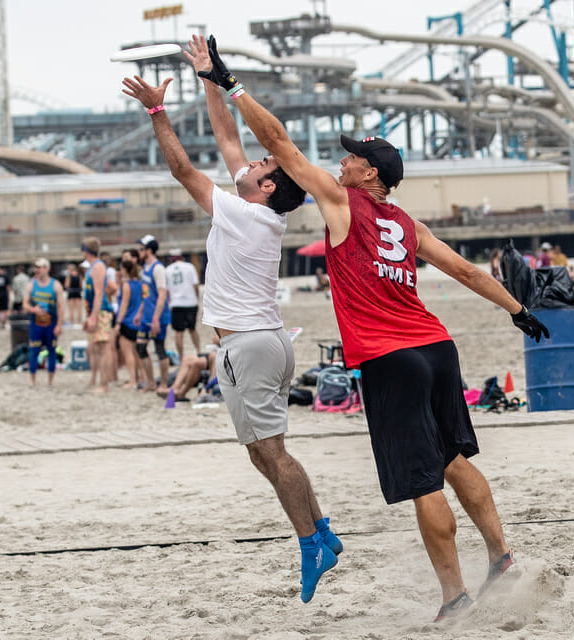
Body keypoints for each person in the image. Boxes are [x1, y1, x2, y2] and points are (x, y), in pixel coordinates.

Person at [202, 38, 549, 619]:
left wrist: (230, 82)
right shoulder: (406, 223)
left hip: (392, 358)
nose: (341, 160)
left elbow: (277, 143)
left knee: (422, 481)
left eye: (351, 157)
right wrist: (516, 309)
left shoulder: (343, 203)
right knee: (455, 460)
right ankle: (502, 556)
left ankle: (454, 597)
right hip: (437, 347)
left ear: (371, 173)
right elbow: (462, 268)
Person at [122, 35, 342, 605]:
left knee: (272, 452)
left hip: (249, 346)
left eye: (262, 163)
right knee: (262, 450)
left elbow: (182, 169)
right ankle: (321, 530)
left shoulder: (246, 214)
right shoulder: (258, 208)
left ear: (266, 186)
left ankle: (310, 541)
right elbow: (225, 135)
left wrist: (156, 111)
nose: (252, 160)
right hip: (256, 342)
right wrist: (208, 75)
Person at [133, 235, 172, 394]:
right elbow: (146, 294)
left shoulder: (158, 268)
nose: (139, 252)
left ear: (149, 250)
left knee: (160, 349)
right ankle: (150, 383)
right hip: (146, 316)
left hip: (158, 317)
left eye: (141, 249)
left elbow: (162, 295)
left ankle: (163, 384)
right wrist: (140, 312)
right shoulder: (145, 269)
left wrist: (156, 318)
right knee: (140, 346)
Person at [22, 258, 65, 386]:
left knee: (52, 350)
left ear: (47, 269)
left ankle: (50, 380)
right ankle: (32, 380)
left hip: (51, 322)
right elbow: (24, 304)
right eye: (36, 267)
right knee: (34, 350)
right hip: (36, 322)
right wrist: (33, 309)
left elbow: (61, 306)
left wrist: (59, 325)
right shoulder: (31, 284)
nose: (38, 270)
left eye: (40, 267)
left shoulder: (55, 285)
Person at [81, 236, 115, 393]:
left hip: (101, 311)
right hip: (94, 311)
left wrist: (93, 317)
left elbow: (99, 293)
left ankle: (104, 384)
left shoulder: (98, 267)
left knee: (104, 348)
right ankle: (97, 380)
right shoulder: (92, 267)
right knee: (95, 347)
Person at [164, 249, 201, 361]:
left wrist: (170, 301)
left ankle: (181, 357)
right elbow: (195, 284)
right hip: (190, 301)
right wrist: (197, 297)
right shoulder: (189, 266)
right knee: (192, 329)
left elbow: (167, 291)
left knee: (178, 332)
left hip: (176, 303)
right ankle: (199, 351)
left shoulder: (168, 270)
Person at [158, 336, 220, 401]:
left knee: (199, 362)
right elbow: (215, 338)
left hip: (219, 355)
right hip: (215, 353)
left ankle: (207, 389)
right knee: (187, 359)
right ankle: (175, 388)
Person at [114, 258, 143, 389]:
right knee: (137, 352)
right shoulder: (140, 284)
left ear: (125, 270)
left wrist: (118, 322)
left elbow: (124, 305)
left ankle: (132, 379)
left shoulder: (126, 285)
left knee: (128, 352)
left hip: (127, 321)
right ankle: (141, 377)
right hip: (138, 321)